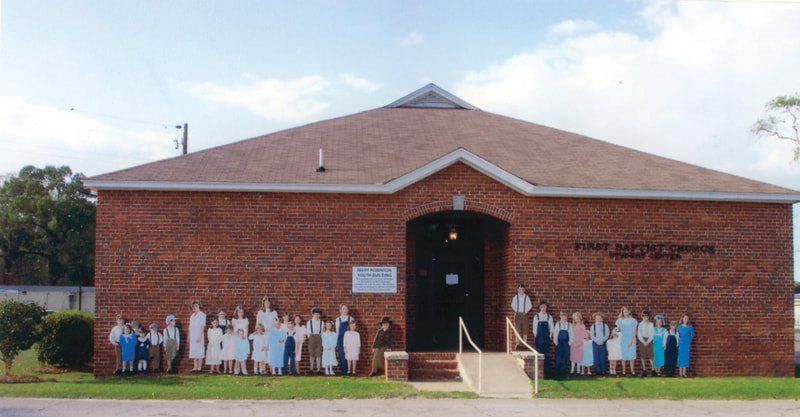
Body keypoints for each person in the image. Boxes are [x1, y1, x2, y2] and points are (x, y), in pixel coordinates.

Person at [531, 301, 554, 373]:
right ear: (540, 308)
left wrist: (550, 335)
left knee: (546, 353)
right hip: (539, 337)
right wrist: (536, 336)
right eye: (542, 307)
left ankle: (546, 370)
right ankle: (538, 370)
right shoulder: (536, 316)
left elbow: (551, 327)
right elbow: (534, 327)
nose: (543, 308)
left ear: (546, 308)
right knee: (539, 352)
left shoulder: (549, 317)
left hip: (546, 337)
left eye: (545, 307)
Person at [615, 307, 637, 376]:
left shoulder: (633, 320)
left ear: (629, 312)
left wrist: (632, 340)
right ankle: (624, 371)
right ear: (622, 312)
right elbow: (618, 330)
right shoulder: (619, 320)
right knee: (623, 356)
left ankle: (632, 371)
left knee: (632, 356)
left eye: (627, 312)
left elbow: (634, 331)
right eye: (624, 312)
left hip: (631, 339)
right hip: (623, 339)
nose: (626, 313)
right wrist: (617, 329)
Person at [510, 284, 532, 349]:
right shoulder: (515, 297)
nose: (521, 291)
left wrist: (526, 312)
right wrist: (516, 311)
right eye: (520, 289)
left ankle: (525, 344)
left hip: (524, 314)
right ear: (518, 290)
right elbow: (512, 305)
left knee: (525, 329)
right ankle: (518, 343)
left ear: (524, 290)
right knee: (517, 329)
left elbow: (530, 306)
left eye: (522, 289)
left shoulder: (527, 297)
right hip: (518, 314)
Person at [552, 311, 574, 376]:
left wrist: (569, 343)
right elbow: (555, 334)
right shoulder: (557, 324)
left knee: (565, 358)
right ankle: (558, 373)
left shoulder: (569, 325)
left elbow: (572, 335)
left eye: (565, 316)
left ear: (566, 317)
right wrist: (556, 343)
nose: (564, 317)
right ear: (560, 316)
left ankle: (564, 373)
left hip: (566, 344)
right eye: (562, 316)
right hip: (559, 344)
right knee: (558, 358)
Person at [188, 301, 207, 372]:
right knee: (194, 351)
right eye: (193, 306)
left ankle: (199, 368)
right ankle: (195, 367)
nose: (195, 307)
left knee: (199, 351)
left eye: (196, 306)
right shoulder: (192, 316)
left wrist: (200, 336)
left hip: (199, 335)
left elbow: (202, 326)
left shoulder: (202, 315)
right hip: (193, 335)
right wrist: (189, 335)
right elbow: (190, 326)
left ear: (199, 306)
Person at [335, 304, 354, 375]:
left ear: (348, 310)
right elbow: (337, 331)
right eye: (343, 309)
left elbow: (353, 329)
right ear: (340, 310)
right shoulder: (338, 319)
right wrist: (337, 341)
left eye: (346, 309)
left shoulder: (351, 318)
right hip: (341, 339)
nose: (345, 310)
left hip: (349, 339)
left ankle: (350, 370)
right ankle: (344, 371)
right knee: (342, 355)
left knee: (350, 354)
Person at [306, 307, 324, 374]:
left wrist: (321, 338)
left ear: (320, 315)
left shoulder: (322, 322)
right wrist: (310, 337)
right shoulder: (309, 322)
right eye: (315, 314)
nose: (317, 315)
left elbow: (322, 331)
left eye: (318, 314)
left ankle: (318, 370)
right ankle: (311, 369)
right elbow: (308, 331)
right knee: (312, 354)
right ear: (313, 314)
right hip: (312, 337)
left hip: (319, 337)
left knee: (318, 354)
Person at [637, 310, 655, 377]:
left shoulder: (651, 324)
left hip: (649, 340)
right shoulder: (640, 324)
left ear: (648, 317)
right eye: (644, 316)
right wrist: (643, 341)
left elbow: (652, 333)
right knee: (643, 355)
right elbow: (639, 334)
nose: (645, 318)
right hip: (642, 340)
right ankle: (644, 370)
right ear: (642, 317)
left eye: (646, 316)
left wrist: (648, 341)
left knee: (651, 355)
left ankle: (653, 370)